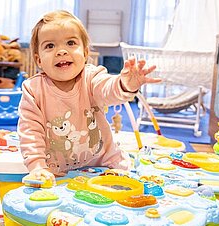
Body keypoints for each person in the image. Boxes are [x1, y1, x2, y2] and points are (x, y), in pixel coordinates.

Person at [17, 10, 160, 184]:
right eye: (50, 46)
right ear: (39, 60)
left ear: (85, 53)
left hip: (105, 165)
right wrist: (37, 166)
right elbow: (30, 131)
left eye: (70, 43)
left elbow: (108, 89)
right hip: (56, 171)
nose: (61, 51)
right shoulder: (33, 89)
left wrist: (125, 85)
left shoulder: (92, 77)